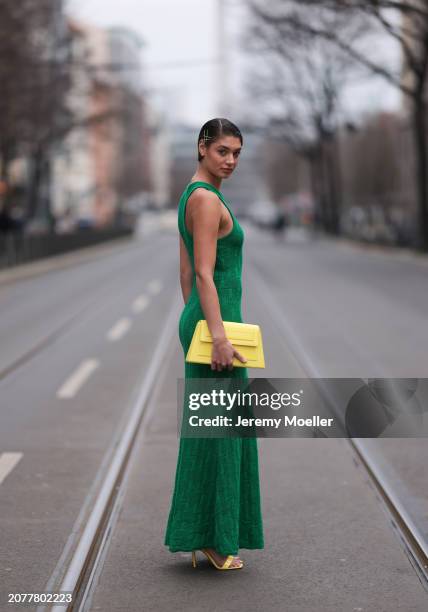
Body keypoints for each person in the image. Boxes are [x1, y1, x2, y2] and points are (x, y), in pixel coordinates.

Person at [164, 118, 264, 570]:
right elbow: (202, 272)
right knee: (222, 433)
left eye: (237, 153)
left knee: (211, 429)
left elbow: (186, 272)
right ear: (202, 147)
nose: (231, 160)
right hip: (217, 325)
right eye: (223, 151)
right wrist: (216, 335)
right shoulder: (205, 199)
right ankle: (217, 539)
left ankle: (202, 531)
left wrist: (197, 326)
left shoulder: (192, 194)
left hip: (206, 321)